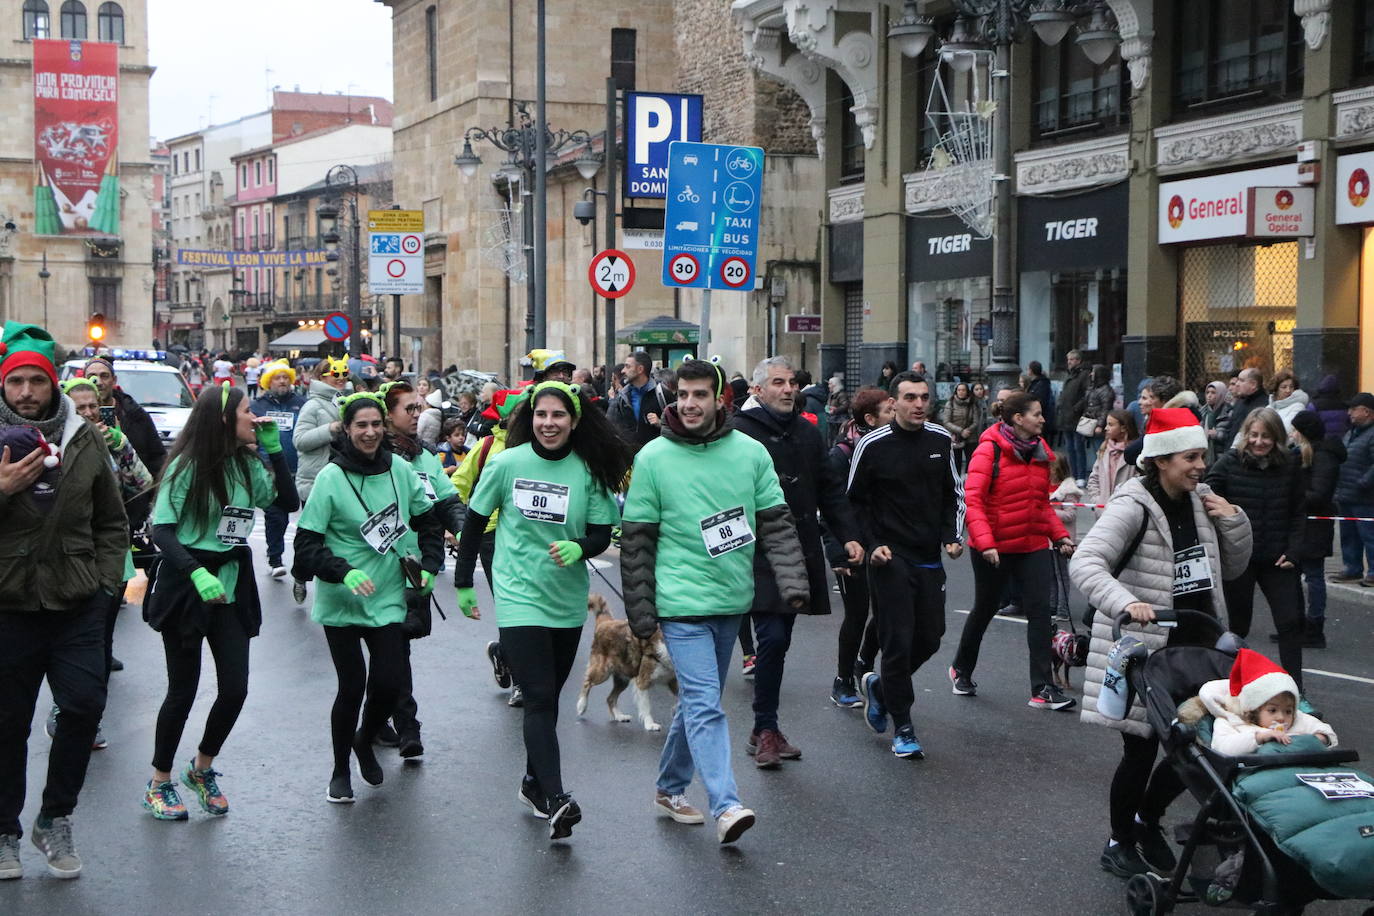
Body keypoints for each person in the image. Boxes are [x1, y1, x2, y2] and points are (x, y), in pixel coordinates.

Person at [621, 359, 808, 845]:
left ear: (720, 398)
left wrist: (792, 583)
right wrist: (642, 612)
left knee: (695, 706)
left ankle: (668, 788)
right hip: (679, 603)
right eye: (682, 395)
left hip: (731, 601)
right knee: (705, 702)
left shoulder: (750, 453)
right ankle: (726, 804)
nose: (689, 403)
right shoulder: (654, 458)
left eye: (700, 394)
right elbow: (638, 542)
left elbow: (776, 524)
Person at [1071, 407, 1251, 879]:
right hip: (1146, 648)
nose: (1200, 466)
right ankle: (1119, 841)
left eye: (1202, 457)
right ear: (1164, 459)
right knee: (1141, 749)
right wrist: (1126, 602)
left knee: (1204, 742)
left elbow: (1230, 569)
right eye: (1191, 457)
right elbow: (1086, 563)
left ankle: (1146, 818)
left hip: (1200, 641)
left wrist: (1233, 520)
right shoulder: (1133, 504)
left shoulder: (1203, 498)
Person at [453, 381, 630, 840]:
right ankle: (556, 797)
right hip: (517, 594)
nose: (548, 424)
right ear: (528, 418)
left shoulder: (587, 472)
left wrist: (579, 547)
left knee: (548, 695)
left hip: (566, 599)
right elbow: (474, 521)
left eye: (557, 416)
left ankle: (533, 783)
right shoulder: (508, 463)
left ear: (573, 422)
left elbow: (600, 534)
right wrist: (464, 585)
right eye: (540, 415)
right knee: (536, 695)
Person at [0, 322, 128, 880]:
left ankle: (55, 818)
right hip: (8, 603)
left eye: (36, 381)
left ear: (54, 384)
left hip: (78, 600)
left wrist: (104, 584)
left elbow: (112, 519)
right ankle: (4, 830)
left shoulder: (85, 437)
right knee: (8, 724)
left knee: (81, 706)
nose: (26, 392)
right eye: (16, 382)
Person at [140, 383, 298, 821]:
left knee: (235, 688)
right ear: (225, 419)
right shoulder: (187, 467)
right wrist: (196, 572)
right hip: (188, 583)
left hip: (231, 582)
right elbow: (163, 531)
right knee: (183, 690)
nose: (257, 417)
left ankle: (202, 768)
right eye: (249, 411)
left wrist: (275, 452)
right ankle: (159, 781)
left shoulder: (249, 464)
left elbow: (287, 502)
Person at [291, 392, 442, 805]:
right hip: (343, 599)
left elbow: (428, 519)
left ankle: (364, 739)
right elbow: (306, 545)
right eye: (362, 425)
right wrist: (344, 571)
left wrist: (429, 564)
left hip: (389, 593)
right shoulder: (330, 478)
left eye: (377, 424)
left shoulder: (399, 468)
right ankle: (340, 770)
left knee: (390, 684)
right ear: (347, 429)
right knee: (351, 686)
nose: (371, 432)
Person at [732, 357, 862, 767]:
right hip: (752, 552)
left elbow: (830, 490)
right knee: (770, 637)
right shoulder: (738, 433)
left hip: (796, 551)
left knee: (779, 640)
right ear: (757, 391)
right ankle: (766, 727)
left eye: (791, 383)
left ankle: (762, 727)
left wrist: (849, 537)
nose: (789, 389)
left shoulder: (806, 432)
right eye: (778, 383)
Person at [847, 372, 963, 757]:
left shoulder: (940, 440)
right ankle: (904, 727)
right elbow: (854, 502)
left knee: (930, 637)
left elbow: (954, 495)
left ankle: (881, 686)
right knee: (897, 640)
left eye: (924, 397)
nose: (918, 404)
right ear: (893, 403)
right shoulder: (872, 444)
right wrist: (872, 544)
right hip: (890, 558)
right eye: (910, 397)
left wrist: (952, 535)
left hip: (928, 556)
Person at [950, 391, 1076, 710]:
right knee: (985, 608)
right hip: (993, 546)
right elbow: (973, 501)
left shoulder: (1041, 452)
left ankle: (1043, 687)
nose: (1043, 419)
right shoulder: (987, 450)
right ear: (1019, 419)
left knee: (1039, 612)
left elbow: (1040, 505)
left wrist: (1060, 536)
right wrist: (987, 542)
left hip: (1032, 544)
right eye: (1037, 414)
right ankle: (961, 668)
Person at [1181, 649, 1336, 905]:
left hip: (1295, 782)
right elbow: (1223, 748)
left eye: (1287, 711)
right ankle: (1245, 869)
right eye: (1273, 710)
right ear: (1253, 710)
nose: (1281, 718)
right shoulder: (1233, 723)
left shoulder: (1295, 723)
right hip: (1257, 786)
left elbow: (1325, 731)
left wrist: (1317, 738)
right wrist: (1258, 737)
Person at [61, 378, 153, 749]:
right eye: (78, 408)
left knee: (98, 638)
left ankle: (87, 717)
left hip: (111, 554)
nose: (86, 414)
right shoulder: (52, 441)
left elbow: (143, 484)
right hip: (65, 556)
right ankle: (63, 708)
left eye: (92, 408)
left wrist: (122, 448)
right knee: (67, 642)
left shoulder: (113, 442)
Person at [381, 381, 467, 758]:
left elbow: (448, 499)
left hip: (418, 565)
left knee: (399, 648)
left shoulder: (426, 456)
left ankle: (379, 717)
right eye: (409, 410)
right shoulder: (373, 456)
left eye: (419, 409)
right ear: (387, 415)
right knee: (393, 648)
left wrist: (463, 529)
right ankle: (408, 725)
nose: (418, 416)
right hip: (381, 567)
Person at [1204, 408, 1306, 681]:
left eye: (1266, 436)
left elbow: (1299, 512)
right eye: (1254, 435)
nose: (1259, 442)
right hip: (1240, 558)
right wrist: (1226, 514)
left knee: (1290, 622)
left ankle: (1296, 688)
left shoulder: (1290, 466)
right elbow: (1206, 493)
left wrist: (1294, 550)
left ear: (1277, 438)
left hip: (1278, 558)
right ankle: (1229, 684)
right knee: (1237, 627)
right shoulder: (1229, 462)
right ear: (1245, 435)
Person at [453, 389, 526, 706]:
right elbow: (457, 485)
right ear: (508, 416)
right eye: (522, 412)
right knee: (513, 608)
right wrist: (456, 525)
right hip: (491, 536)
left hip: (529, 538)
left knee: (533, 609)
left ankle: (503, 652)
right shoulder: (486, 447)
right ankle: (521, 681)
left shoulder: (543, 448)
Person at [823, 386, 892, 704]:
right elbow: (828, 507)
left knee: (888, 610)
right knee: (856, 613)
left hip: (886, 543)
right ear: (870, 418)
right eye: (888, 411)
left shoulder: (892, 446)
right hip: (852, 546)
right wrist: (837, 551)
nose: (895, 415)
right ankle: (843, 679)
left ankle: (864, 662)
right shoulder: (841, 455)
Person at [291, 357, 350, 604]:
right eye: (334, 375)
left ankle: (338, 580)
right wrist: (331, 429)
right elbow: (300, 441)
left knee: (339, 535)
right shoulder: (312, 406)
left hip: (344, 479)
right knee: (311, 535)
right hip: (316, 480)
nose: (340, 379)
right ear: (321, 377)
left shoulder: (348, 401)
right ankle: (300, 575)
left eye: (344, 374)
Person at [1288, 411, 1344, 649]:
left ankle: (1314, 627)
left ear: (1303, 433)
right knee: (1294, 576)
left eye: (1295, 430)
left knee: (1313, 576)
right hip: (1303, 524)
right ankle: (1297, 624)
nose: (1291, 434)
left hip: (1315, 525)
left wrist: (1292, 497)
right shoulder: (1304, 453)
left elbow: (1320, 493)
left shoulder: (1324, 457)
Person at [249, 360, 307, 578]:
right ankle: (275, 558)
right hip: (270, 470)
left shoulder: (302, 403)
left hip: (298, 469)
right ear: (267, 382)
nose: (282, 381)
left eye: (286, 377)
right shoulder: (257, 406)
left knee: (307, 518)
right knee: (276, 516)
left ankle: (303, 560)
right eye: (277, 378)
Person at [1333, 392, 1374, 584]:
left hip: (1365, 496)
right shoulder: (1351, 432)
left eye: (1353, 409)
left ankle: (1373, 571)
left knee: (1369, 535)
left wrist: (1364, 482)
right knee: (1349, 535)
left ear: (1366, 412)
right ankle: (1352, 567)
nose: (1349, 412)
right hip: (1346, 493)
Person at [607, 350, 667, 452]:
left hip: (657, 455)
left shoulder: (662, 394)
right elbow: (609, 426)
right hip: (630, 457)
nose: (623, 371)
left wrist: (660, 423)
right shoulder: (622, 397)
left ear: (640, 369)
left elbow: (678, 428)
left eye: (628, 366)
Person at [1048, 454, 1083, 620]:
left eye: (1052, 469)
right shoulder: (1049, 486)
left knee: (1061, 575)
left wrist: (1049, 512)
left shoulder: (1068, 490)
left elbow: (1070, 515)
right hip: (1048, 537)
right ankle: (1053, 605)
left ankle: (1063, 609)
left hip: (1063, 538)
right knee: (1051, 575)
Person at [1085, 410, 1139, 507]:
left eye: (1110, 424)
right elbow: (1094, 478)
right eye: (1106, 424)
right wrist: (1097, 500)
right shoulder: (1104, 449)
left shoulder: (1135, 452)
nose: (1106, 428)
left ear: (1123, 428)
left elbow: (1138, 482)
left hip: (1126, 510)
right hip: (1103, 510)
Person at [1059, 350, 1091, 485]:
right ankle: (1073, 474)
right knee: (1070, 448)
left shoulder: (1083, 375)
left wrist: (1076, 408)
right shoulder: (1069, 376)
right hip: (1066, 416)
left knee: (1078, 447)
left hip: (1076, 416)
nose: (1069, 362)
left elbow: (1087, 395)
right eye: (1068, 360)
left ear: (1078, 361)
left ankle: (1081, 476)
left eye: (1072, 360)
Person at [939, 381, 982, 474]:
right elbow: (946, 422)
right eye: (959, 390)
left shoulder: (972, 404)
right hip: (956, 437)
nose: (961, 392)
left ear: (967, 392)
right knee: (956, 463)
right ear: (956, 391)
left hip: (971, 437)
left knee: (971, 462)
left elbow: (976, 421)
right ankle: (956, 484)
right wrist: (961, 431)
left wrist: (968, 431)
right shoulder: (950, 403)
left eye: (963, 390)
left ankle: (969, 482)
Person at [1220, 367, 1268, 448]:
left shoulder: (1263, 406)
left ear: (1253, 384)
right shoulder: (1240, 401)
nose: (1237, 384)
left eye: (1241, 380)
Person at [1083, 364, 1115, 455]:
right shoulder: (1094, 388)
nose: (1091, 374)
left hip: (1098, 425)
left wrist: (1100, 425)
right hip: (1092, 422)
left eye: (1093, 372)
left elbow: (1106, 409)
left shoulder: (1106, 390)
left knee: (1099, 450)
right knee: (1095, 449)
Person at [1308, 374, 1349, 440]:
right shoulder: (1345, 406)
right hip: (1342, 444)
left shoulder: (1313, 405)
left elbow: (1309, 426)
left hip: (1321, 443)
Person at [1200, 381, 1230, 464]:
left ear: (1221, 394)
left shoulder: (1228, 412)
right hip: (1204, 453)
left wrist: (1217, 435)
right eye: (1207, 392)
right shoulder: (1202, 412)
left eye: (1213, 393)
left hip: (1221, 455)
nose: (1209, 395)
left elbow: (1232, 435)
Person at [1025, 361, 1056, 440]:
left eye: (1028, 369)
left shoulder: (1041, 384)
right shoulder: (1035, 383)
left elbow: (1040, 401)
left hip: (1041, 417)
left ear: (1031, 371)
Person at [416, 381, 447, 447]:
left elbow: (418, 433)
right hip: (432, 447)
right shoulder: (438, 417)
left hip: (422, 446)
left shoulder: (425, 416)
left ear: (428, 404)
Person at [825, 375, 849, 444]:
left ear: (835, 385)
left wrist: (835, 410)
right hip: (832, 420)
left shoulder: (841, 394)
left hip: (839, 421)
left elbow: (845, 405)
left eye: (830, 384)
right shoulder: (831, 394)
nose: (829, 386)